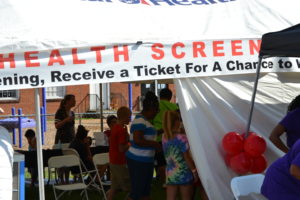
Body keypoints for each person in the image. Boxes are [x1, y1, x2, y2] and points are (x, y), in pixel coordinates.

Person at [126, 91, 161, 200]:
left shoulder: (145, 121)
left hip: (145, 160)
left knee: (145, 191)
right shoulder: (140, 120)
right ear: (151, 109)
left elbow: (148, 135)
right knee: (137, 192)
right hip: (138, 160)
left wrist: (164, 130)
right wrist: (155, 144)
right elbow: (138, 140)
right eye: (157, 111)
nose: (157, 113)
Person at [162, 111, 198, 200]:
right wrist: (194, 171)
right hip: (184, 173)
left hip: (171, 173)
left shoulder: (164, 137)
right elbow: (187, 157)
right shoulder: (182, 138)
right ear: (176, 122)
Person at [153, 88, 178, 183]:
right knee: (171, 161)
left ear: (160, 96)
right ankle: (170, 179)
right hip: (170, 137)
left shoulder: (155, 106)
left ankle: (163, 181)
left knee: (160, 162)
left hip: (157, 138)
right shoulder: (173, 106)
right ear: (170, 97)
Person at [107, 107, 132, 200]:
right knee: (133, 187)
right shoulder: (120, 130)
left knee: (114, 188)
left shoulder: (115, 128)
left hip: (113, 160)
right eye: (129, 117)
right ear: (124, 117)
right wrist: (130, 143)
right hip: (119, 162)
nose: (130, 119)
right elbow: (122, 149)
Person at [54, 94, 76, 184]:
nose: (75, 101)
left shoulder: (72, 113)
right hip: (61, 139)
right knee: (62, 160)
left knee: (68, 160)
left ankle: (67, 179)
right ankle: (61, 180)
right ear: (67, 101)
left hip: (70, 139)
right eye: (73, 100)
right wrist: (66, 120)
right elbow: (57, 125)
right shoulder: (60, 112)